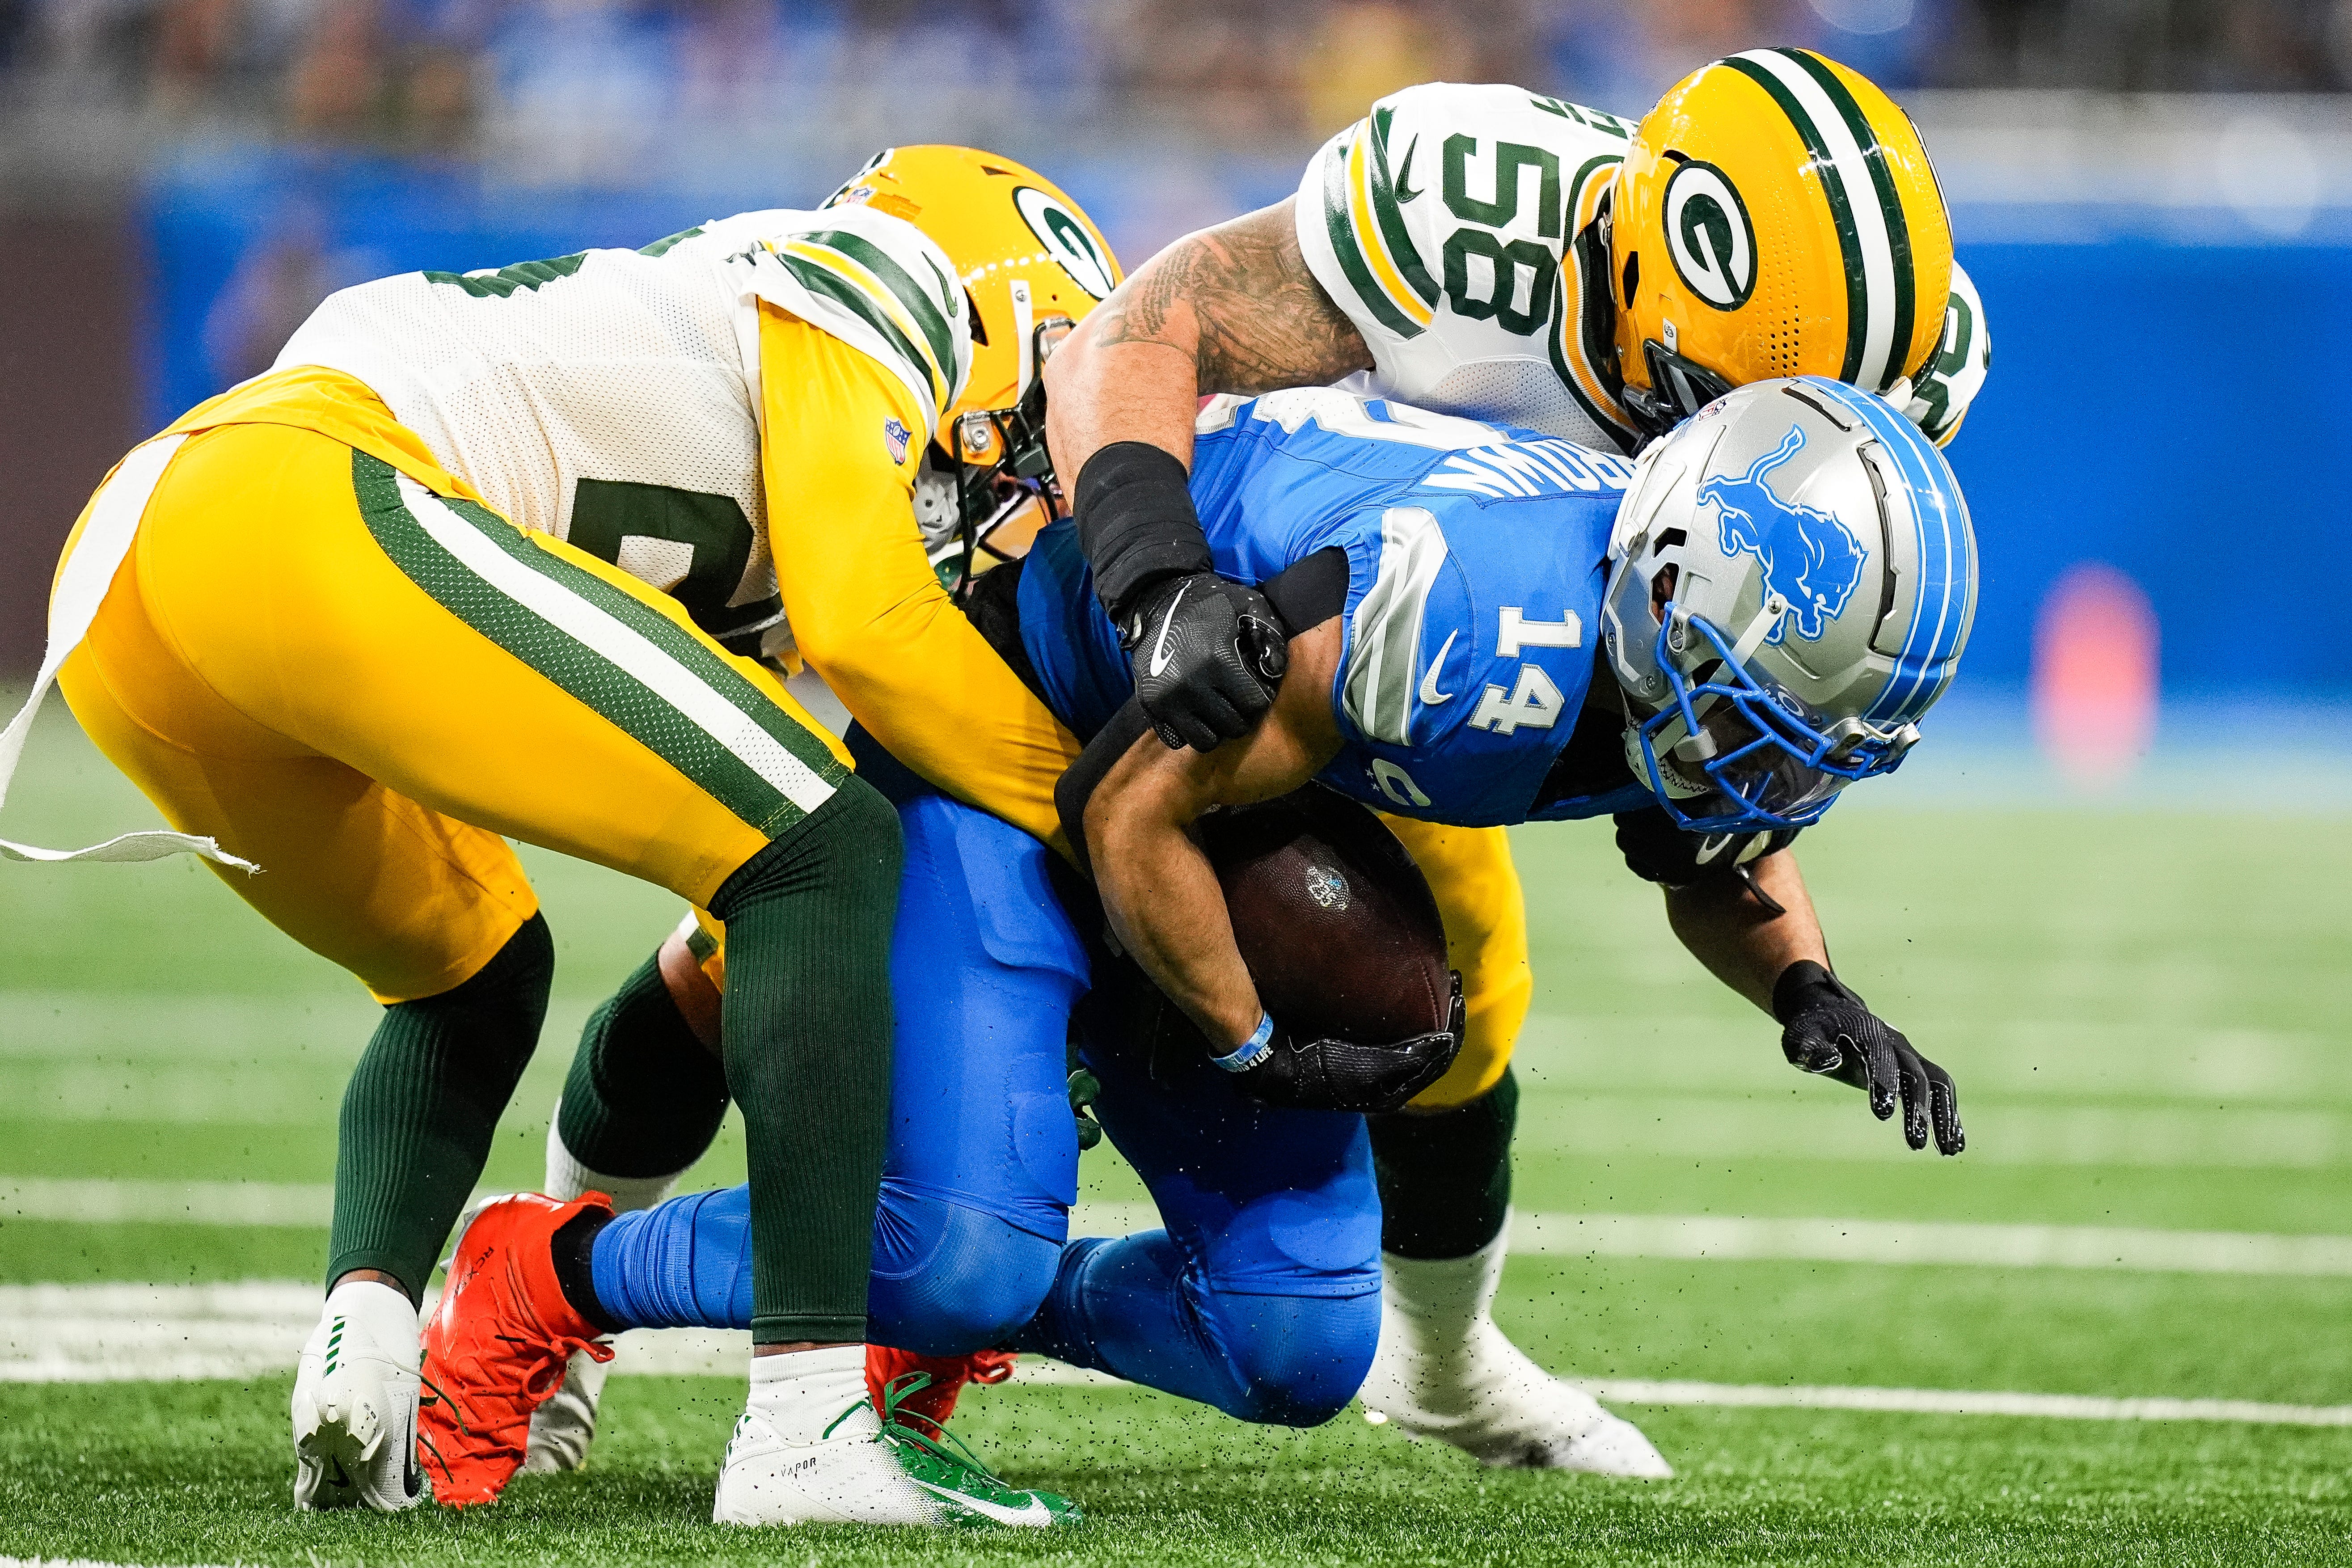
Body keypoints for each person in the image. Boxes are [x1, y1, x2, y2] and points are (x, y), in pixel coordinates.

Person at [424, 370, 1976, 1502]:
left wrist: (1805, 980)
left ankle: (946, 1312)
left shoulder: (1658, 633)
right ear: (1667, 580)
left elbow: (1714, 840)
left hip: (1217, 801)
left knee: (1297, 1340)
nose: (1765, 773)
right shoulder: (1462, 623)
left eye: (1802, 743)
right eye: (1754, 719)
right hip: (1028, 752)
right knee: (955, 1250)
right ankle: (547, 1268)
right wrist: (1248, 1040)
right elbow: (1124, 812)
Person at [0, 145, 1111, 1530]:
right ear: (1003, 303)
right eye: (1040, 406)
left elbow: (749, 912)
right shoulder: (886, 279)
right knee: (826, 840)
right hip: (308, 489)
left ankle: (375, 1341)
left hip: (144, 592)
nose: (1025, 472)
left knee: (474, 974)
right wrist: (1098, 818)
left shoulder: (764, 438)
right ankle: (804, 1432)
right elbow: (866, 635)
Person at [1034, 47, 1991, 1465]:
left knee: (1470, 981)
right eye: (1723, 403)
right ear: (1650, 273)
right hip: (1293, 564)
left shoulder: (1899, 363)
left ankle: (1441, 1357)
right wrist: (1160, 581)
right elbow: (1138, 333)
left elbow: (1712, 747)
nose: (1741, 445)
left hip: (1468, 596)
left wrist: (1801, 973)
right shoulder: (1470, 220)